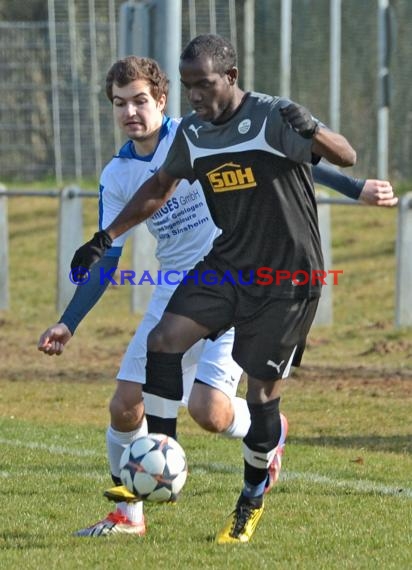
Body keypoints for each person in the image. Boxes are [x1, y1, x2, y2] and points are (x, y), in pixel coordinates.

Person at [52, 43, 396, 541]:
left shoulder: (268, 114)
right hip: (221, 271)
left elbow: (330, 156)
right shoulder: (185, 138)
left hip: (285, 278)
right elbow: (158, 190)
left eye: (202, 85)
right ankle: (156, 469)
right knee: (156, 351)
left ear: (228, 77)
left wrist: (333, 155)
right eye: (188, 85)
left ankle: (253, 490)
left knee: (243, 402)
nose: (195, 95)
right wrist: (104, 239)